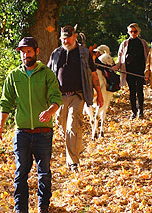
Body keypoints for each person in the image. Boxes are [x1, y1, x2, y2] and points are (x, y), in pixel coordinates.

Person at [0, 37, 63, 213]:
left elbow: (57, 98)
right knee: (20, 175)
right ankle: (21, 210)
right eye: (22, 52)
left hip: (43, 133)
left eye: (29, 51)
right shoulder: (14, 76)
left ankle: (43, 207)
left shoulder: (46, 73)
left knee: (44, 174)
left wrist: (50, 111)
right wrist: (1, 126)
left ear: (36, 51)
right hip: (22, 133)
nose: (25, 55)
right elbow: (6, 102)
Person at [47, 25, 104, 171]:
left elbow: (93, 74)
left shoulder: (84, 53)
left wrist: (99, 94)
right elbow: (47, 75)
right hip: (59, 97)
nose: (65, 41)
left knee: (73, 126)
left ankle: (73, 162)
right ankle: (75, 149)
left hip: (77, 96)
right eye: (63, 38)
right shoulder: (56, 53)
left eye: (68, 37)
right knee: (64, 127)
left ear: (75, 36)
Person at [113, 23, 150, 119]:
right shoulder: (124, 43)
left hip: (140, 70)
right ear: (128, 32)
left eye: (135, 31)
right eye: (131, 31)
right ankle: (133, 111)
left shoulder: (143, 43)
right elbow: (120, 57)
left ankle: (141, 110)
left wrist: (149, 70)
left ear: (138, 31)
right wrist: (117, 66)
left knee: (140, 90)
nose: (133, 33)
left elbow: (148, 56)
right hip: (129, 71)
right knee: (132, 91)